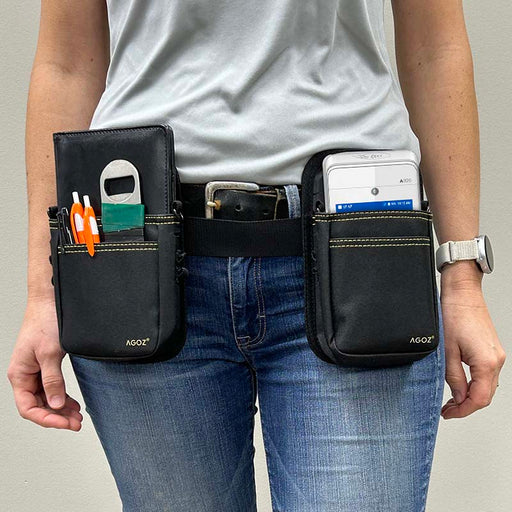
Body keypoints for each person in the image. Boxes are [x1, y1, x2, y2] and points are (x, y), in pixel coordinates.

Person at [7, 1, 506, 511]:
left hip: (355, 252)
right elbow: (66, 63)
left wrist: (462, 276)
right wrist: (45, 291)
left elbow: (435, 49)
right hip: (139, 252)